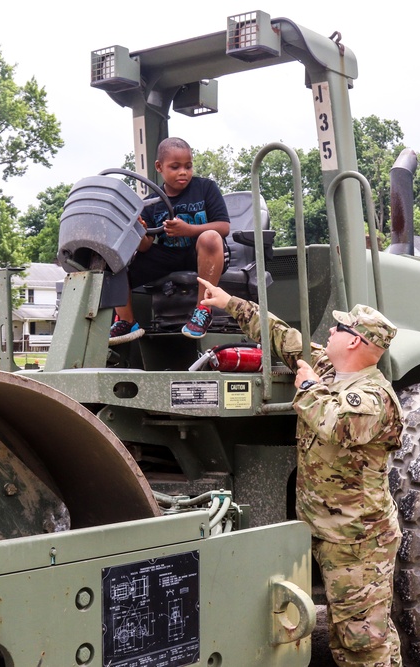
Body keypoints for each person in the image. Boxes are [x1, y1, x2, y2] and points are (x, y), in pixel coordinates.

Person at [197, 276, 403, 667]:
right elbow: (283, 337)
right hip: (327, 530)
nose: (330, 330)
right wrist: (230, 302)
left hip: (357, 541)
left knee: (362, 642)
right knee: (350, 638)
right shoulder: (329, 368)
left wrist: (308, 385)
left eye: (339, 328)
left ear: (355, 341)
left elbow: (336, 424)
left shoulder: (373, 397)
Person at [110, 137, 230, 339]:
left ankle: (202, 311)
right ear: (159, 167)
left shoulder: (205, 188)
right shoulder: (150, 203)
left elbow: (224, 227)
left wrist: (189, 230)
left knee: (210, 236)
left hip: (204, 254)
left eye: (188, 166)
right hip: (168, 256)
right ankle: (126, 321)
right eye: (175, 167)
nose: (183, 172)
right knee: (113, 260)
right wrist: (139, 230)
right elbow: (146, 247)